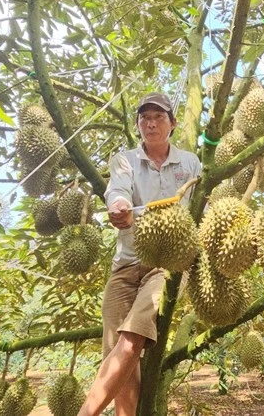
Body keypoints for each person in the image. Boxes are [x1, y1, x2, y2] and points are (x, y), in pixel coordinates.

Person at [78, 92, 201, 416]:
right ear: (137, 124)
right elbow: (118, 190)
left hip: (167, 267)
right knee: (120, 353)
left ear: (172, 124)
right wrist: (119, 207)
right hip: (125, 265)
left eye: (158, 116)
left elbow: (201, 207)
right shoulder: (124, 160)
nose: (150, 122)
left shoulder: (190, 163)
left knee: (132, 339)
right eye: (144, 117)